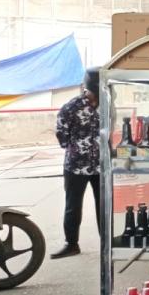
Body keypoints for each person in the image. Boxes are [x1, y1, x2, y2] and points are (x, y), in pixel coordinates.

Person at [51, 68, 102, 259]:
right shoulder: (71, 107)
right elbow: (61, 133)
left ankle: (106, 244)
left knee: (104, 206)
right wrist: (76, 148)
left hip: (101, 165)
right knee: (73, 206)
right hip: (76, 166)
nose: (95, 96)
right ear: (87, 88)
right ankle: (71, 244)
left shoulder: (107, 104)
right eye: (94, 92)